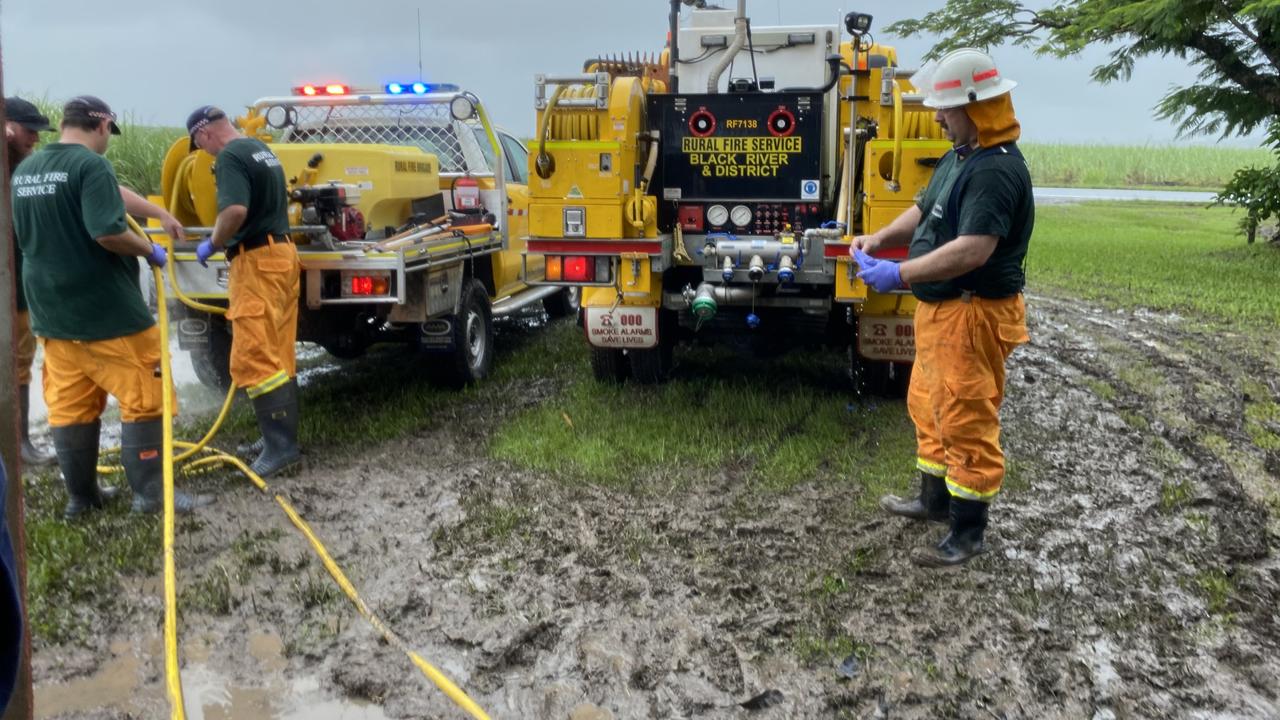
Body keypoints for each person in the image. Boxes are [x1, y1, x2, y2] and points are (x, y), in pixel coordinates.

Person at [851, 48, 1033, 567]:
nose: (936, 116)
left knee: (966, 418)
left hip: (974, 313)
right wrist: (881, 237)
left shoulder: (995, 172)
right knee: (929, 403)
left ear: (976, 109)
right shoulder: (961, 157)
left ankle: (968, 533)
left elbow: (976, 248)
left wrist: (900, 273)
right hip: (943, 312)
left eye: (946, 109)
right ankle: (933, 501)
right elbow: (923, 207)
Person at [10, 95, 210, 518]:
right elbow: (106, 232)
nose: (107, 143)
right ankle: (151, 494)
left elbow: (105, 193)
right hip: (107, 313)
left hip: (52, 314)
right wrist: (148, 250)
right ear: (100, 125)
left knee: (71, 404)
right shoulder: (90, 165)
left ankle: (81, 499)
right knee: (147, 395)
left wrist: (157, 210)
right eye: (108, 134)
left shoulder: (26, 169)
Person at [186, 106, 301, 477]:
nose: (203, 152)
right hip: (282, 254)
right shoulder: (257, 149)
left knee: (254, 355)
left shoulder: (230, 156)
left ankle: (280, 450)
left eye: (199, 145)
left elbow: (234, 209)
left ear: (203, 134)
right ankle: (277, 441)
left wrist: (214, 242)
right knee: (278, 352)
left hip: (255, 260)